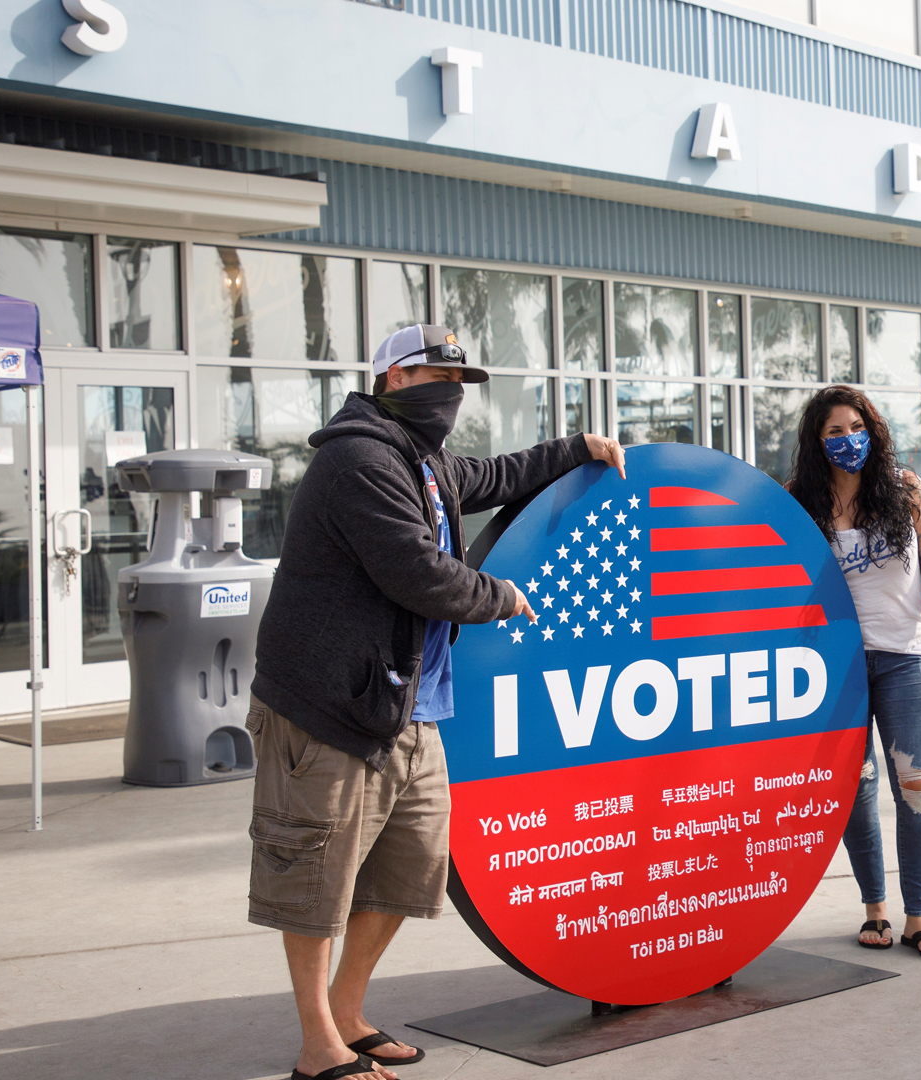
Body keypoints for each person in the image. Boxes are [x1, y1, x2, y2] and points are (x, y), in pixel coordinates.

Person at [247, 324, 625, 1080]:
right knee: (317, 877)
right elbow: (417, 573)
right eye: (432, 378)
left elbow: (494, 475)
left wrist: (575, 447)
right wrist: (504, 594)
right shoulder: (357, 459)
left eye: (458, 382)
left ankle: (349, 1011)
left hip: (408, 706)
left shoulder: (427, 463)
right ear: (391, 381)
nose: (449, 394)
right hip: (328, 709)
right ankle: (318, 1044)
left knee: (409, 870)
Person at [788, 385, 921, 960]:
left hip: (906, 656)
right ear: (818, 442)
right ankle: (875, 908)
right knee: (854, 787)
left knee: (916, 785)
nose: (847, 440)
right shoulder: (802, 501)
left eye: (855, 427)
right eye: (834, 432)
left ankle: (919, 916)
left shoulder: (906, 489)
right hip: (833, 665)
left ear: (873, 429)